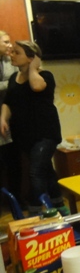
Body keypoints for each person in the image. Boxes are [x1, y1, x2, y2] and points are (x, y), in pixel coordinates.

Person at [0, 41, 68, 216]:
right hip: (24, 135)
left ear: (31, 58)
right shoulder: (14, 79)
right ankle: (59, 204)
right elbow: (8, 102)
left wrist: (33, 68)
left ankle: (35, 211)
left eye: (17, 53)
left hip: (45, 134)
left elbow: (37, 86)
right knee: (46, 169)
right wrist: (3, 118)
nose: (12, 55)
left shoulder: (45, 76)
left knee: (36, 171)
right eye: (13, 52)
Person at [0, 30, 21, 207]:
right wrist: (10, 83)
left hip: (11, 116)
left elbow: (17, 83)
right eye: (5, 42)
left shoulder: (11, 60)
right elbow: (14, 82)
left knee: (14, 162)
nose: (9, 45)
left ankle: (18, 202)